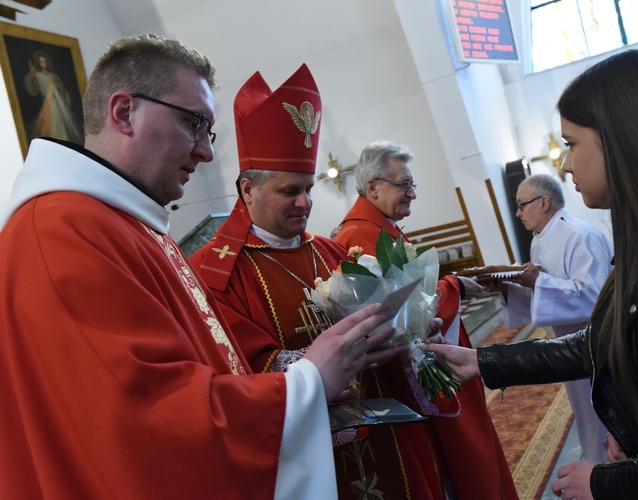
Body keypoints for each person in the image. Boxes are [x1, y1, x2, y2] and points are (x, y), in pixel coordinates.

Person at [0, 34, 401, 499]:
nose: (206, 152)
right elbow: (146, 415)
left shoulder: (126, 222)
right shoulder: (60, 231)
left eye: (207, 132)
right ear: (124, 112)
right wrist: (307, 382)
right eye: (194, 124)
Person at [423, 48, 638, 499]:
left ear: (622, 139)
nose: (566, 164)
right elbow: (609, 336)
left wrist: (604, 481)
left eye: (572, 144)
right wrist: (484, 361)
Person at [190, 71, 471, 499]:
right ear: (248, 189)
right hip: (312, 461)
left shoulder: (335, 254)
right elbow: (237, 375)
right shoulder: (214, 274)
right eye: (289, 191)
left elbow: (387, 331)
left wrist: (411, 336)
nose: (305, 202)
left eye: (307, 188)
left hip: (388, 440)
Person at [334, 140, 518, 499]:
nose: (413, 194)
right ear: (372, 186)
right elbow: (396, 312)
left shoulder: (381, 227)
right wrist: (454, 287)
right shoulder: (358, 234)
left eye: (412, 184)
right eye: (404, 184)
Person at [502, 173, 612, 463]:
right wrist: (508, 287)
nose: (518, 212)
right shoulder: (540, 240)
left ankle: (612, 474)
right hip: (567, 347)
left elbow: (596, 298)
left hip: (596, 347)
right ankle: (595, 468)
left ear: (544, 202)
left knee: (606, 415)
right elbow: (546, 298)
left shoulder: (580, 235)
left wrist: (539, 281)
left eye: (521, 205)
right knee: (587, 417)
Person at [23, 50, 84, 144]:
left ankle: (64, 144)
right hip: (48, 105)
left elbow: (62, 89)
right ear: (39, 64)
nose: (44, 64)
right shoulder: (37, 76)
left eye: (45, 61)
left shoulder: (52, 75)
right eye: (41, 62)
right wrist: (32, 73)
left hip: (58, 103)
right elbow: (34, 89)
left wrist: (57, 86)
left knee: (61, 125)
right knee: (52, 126)